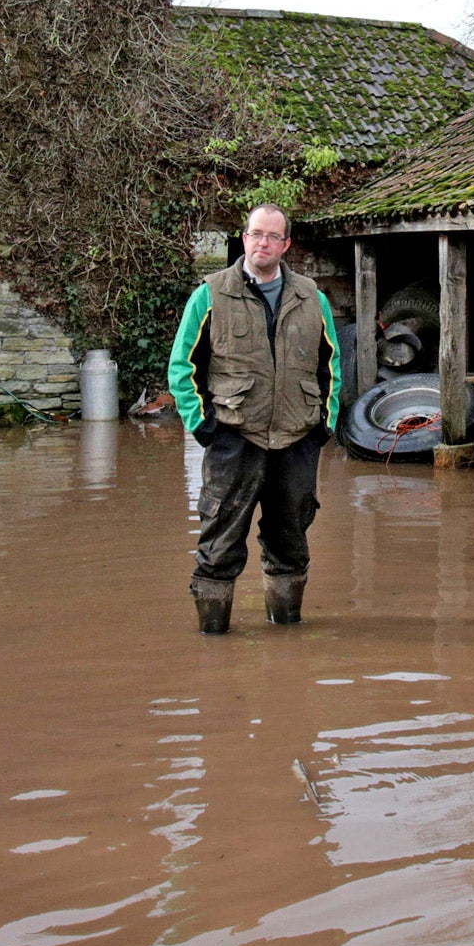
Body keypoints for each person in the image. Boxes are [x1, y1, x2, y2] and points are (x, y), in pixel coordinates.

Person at [167, 203, 341, 634]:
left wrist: (324, 426)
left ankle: (286, 626)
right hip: (233, 437)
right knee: (219, 540)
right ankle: (212, 634)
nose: (262, 243)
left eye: (272, 237)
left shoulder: (312, 298)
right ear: (243, 238)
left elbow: (333, 368)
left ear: (285, 245)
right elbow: (182, 367)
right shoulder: (209, 294)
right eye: (255, 234)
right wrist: (204, 427)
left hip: (296, 440)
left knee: (291, 539)